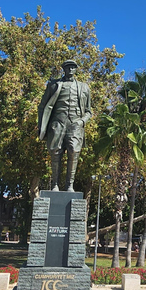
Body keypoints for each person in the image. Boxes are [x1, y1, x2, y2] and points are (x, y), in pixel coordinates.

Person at [37, 59, 92, 192]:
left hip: (75, 124)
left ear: (76, 69)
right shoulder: (53, 85)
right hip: (58, 123)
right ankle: (55, 184)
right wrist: (41, 127)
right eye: (68, 67)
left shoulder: (84, 87)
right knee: (55, 152)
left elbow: (89, 111)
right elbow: (42, 106)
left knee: (74, 152)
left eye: (73, 67)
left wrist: (82, 121)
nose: (70, 70)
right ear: (64, 69)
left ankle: (69, 185)